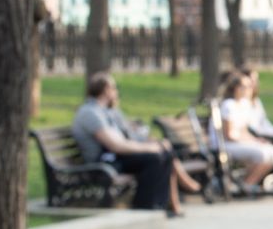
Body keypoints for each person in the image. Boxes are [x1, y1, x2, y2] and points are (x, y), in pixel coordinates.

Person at [70, 72, 200, 217]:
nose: (116, 92)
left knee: (164, 155)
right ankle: (145, 206)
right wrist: (150, 148)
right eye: (114, 87)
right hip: (104, 161)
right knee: (154, 158)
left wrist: (152, 142)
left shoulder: (108, 111)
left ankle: (160, 204)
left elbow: (128, 136)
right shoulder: (91, 113)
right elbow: (115, 145)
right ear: (106, 89)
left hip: (115, 156)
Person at [213, 72, 273, 193]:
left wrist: (256, 140)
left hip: (238, 142)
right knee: (263, 155)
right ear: (235, 88)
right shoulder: (228, 105)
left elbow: (243, 130)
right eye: (244, 86)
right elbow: (229, 135)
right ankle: (245, 185)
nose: (248, 89)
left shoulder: (244, 105)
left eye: (249, 86)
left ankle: (247, 183)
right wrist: (250, 141)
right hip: (225, 144)